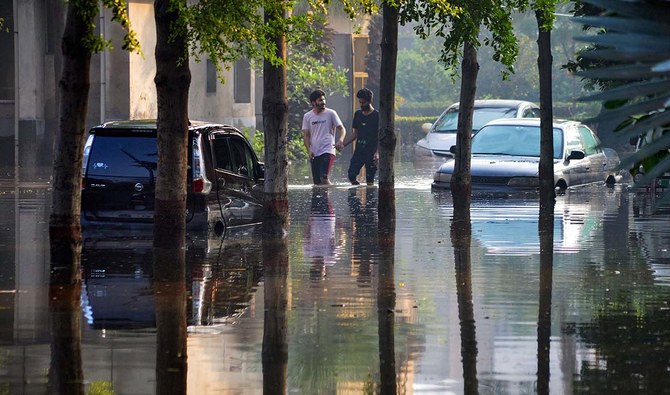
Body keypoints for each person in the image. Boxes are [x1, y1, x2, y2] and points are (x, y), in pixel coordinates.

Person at [302, 89, 346, 185]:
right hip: (315, 151)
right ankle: (321, 199)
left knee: (324, 177)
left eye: (324, 100)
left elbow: (342, 129)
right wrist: (309, 150)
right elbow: (306, 136)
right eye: (320, 100)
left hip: (328, 149)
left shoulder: (331, 113)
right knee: (317, 182)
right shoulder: (307, 116)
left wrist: (340, 140)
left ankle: (328, 199)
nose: (323, 102)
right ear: (313, 102)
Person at [343, 88, 379, 186]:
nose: (361, 105)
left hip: (372, 151)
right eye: (360, 102)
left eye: (364, 102)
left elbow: (380, 137)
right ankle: (355, 195)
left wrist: (377, 153)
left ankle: (370, 197)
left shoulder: (377, 116)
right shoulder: (358, 114)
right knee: (351, 174)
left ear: (370, 101)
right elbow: (355, 133)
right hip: (359, 150)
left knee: (370, 179)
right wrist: (343, 144)